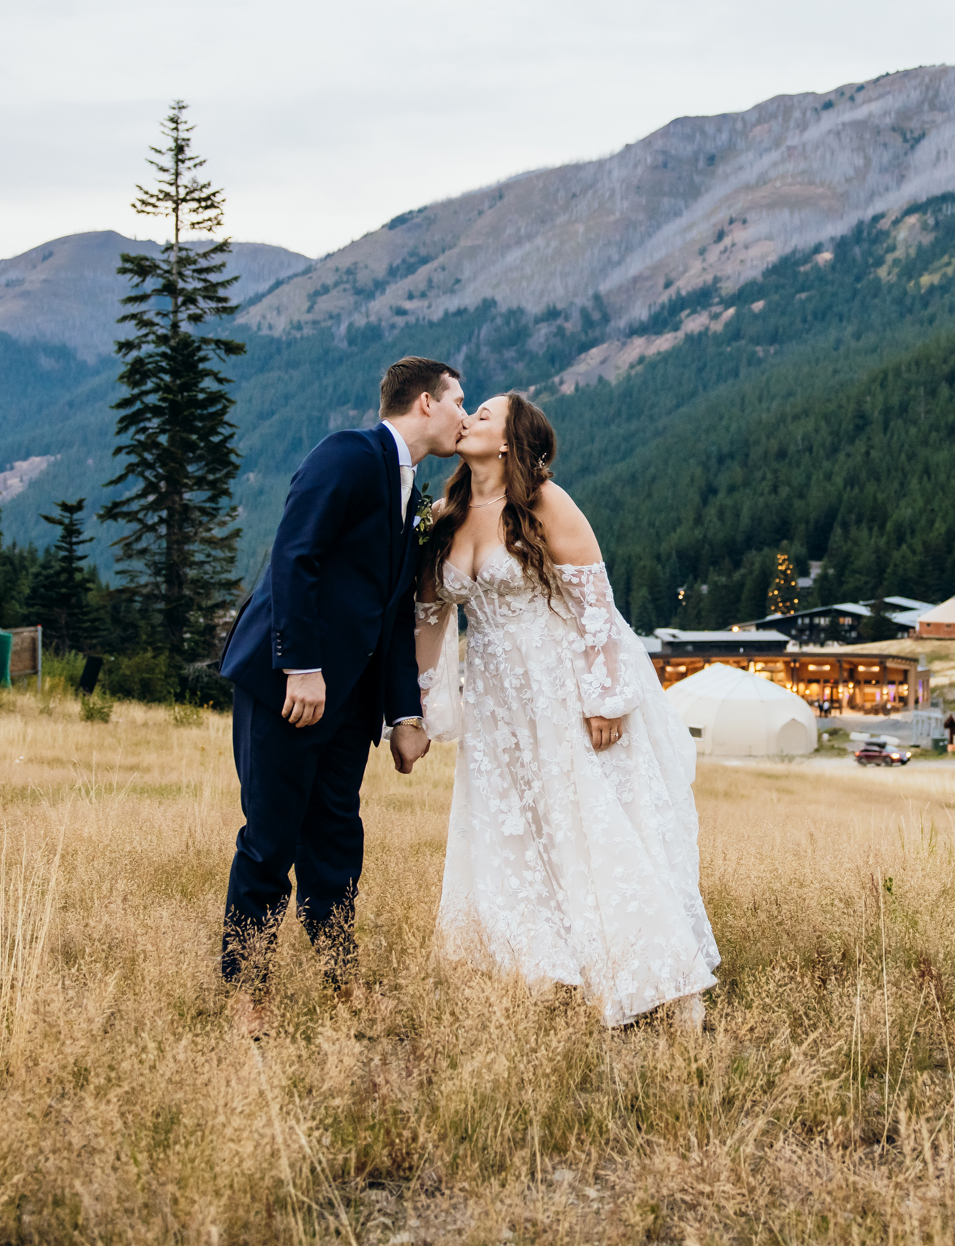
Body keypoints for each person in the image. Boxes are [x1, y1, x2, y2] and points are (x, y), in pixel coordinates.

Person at [412, 390, 718, 1026]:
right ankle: (537, 967)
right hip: (495, 698)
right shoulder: (445, 512)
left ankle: (643, 972)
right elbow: (431, 615)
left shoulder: (545, 502)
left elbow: (595, 605)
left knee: (581, 817)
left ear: (507, 441)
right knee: (509, 821)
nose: (468, 418)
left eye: (485, 414)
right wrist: (422, 705)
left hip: (559, 684)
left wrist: (605, 699)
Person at [217, 355, 466, 1031]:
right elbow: (295, 551)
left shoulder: (408, 491)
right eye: (458, 401)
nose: (465, 417)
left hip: (349, 702)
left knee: (336, 844)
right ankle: (247, 990)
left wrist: (405, 714)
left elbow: (386, 617)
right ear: (423, 404)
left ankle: (341, 982)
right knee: (269, 838)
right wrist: (299, 664)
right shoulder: (349, 454)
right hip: (286, 686)